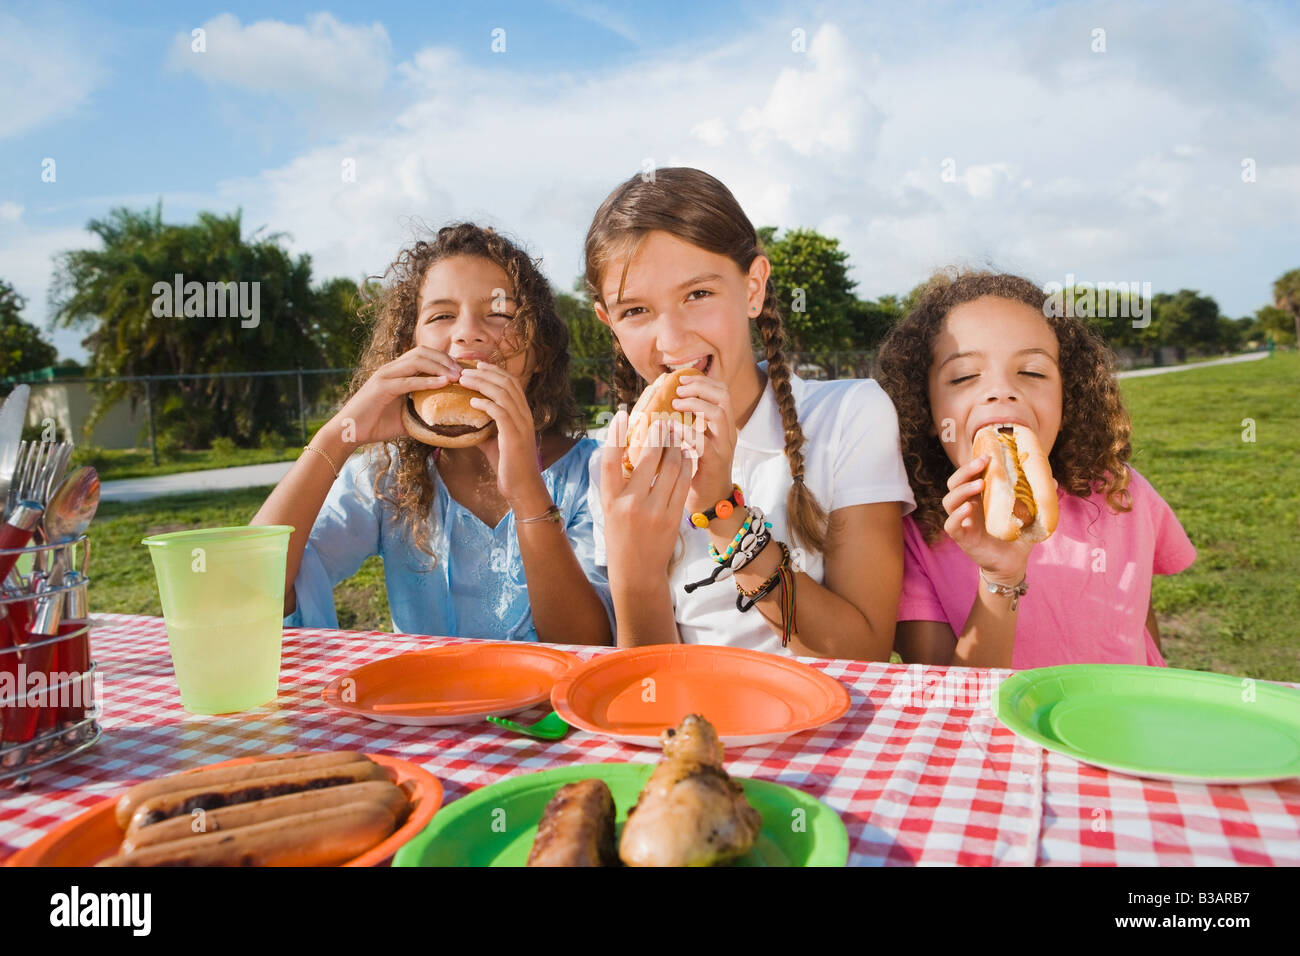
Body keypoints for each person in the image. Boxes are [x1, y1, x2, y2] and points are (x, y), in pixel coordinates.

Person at [584, 167, 914, 659]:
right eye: (636, 311)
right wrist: (636, 572)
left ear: (753, 288)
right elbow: (648, 685)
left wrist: (722, 511)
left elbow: (862, 652)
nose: (671, 340)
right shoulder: (614, 465)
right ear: (609, 323)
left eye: (698, 294)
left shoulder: (850, 416)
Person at [251, 223, 613, 644]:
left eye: (499, 312)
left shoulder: (593, 474)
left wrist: (527, 492)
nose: (468, 331)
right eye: (442, 315)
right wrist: (339, 434)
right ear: (411, 346)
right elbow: (254, 591)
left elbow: (589, 644)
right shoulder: (388, 477)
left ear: (539, 355)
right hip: (422, 708)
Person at [876, 271, 1196, 668]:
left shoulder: (1123, 492)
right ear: (925, 411)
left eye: (1031, 372)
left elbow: (1138, 614)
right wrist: (1001, 577)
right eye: (963, 376)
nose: (1001, 391)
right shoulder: (912, 535)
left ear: (1068, 398)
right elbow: (950, 699)